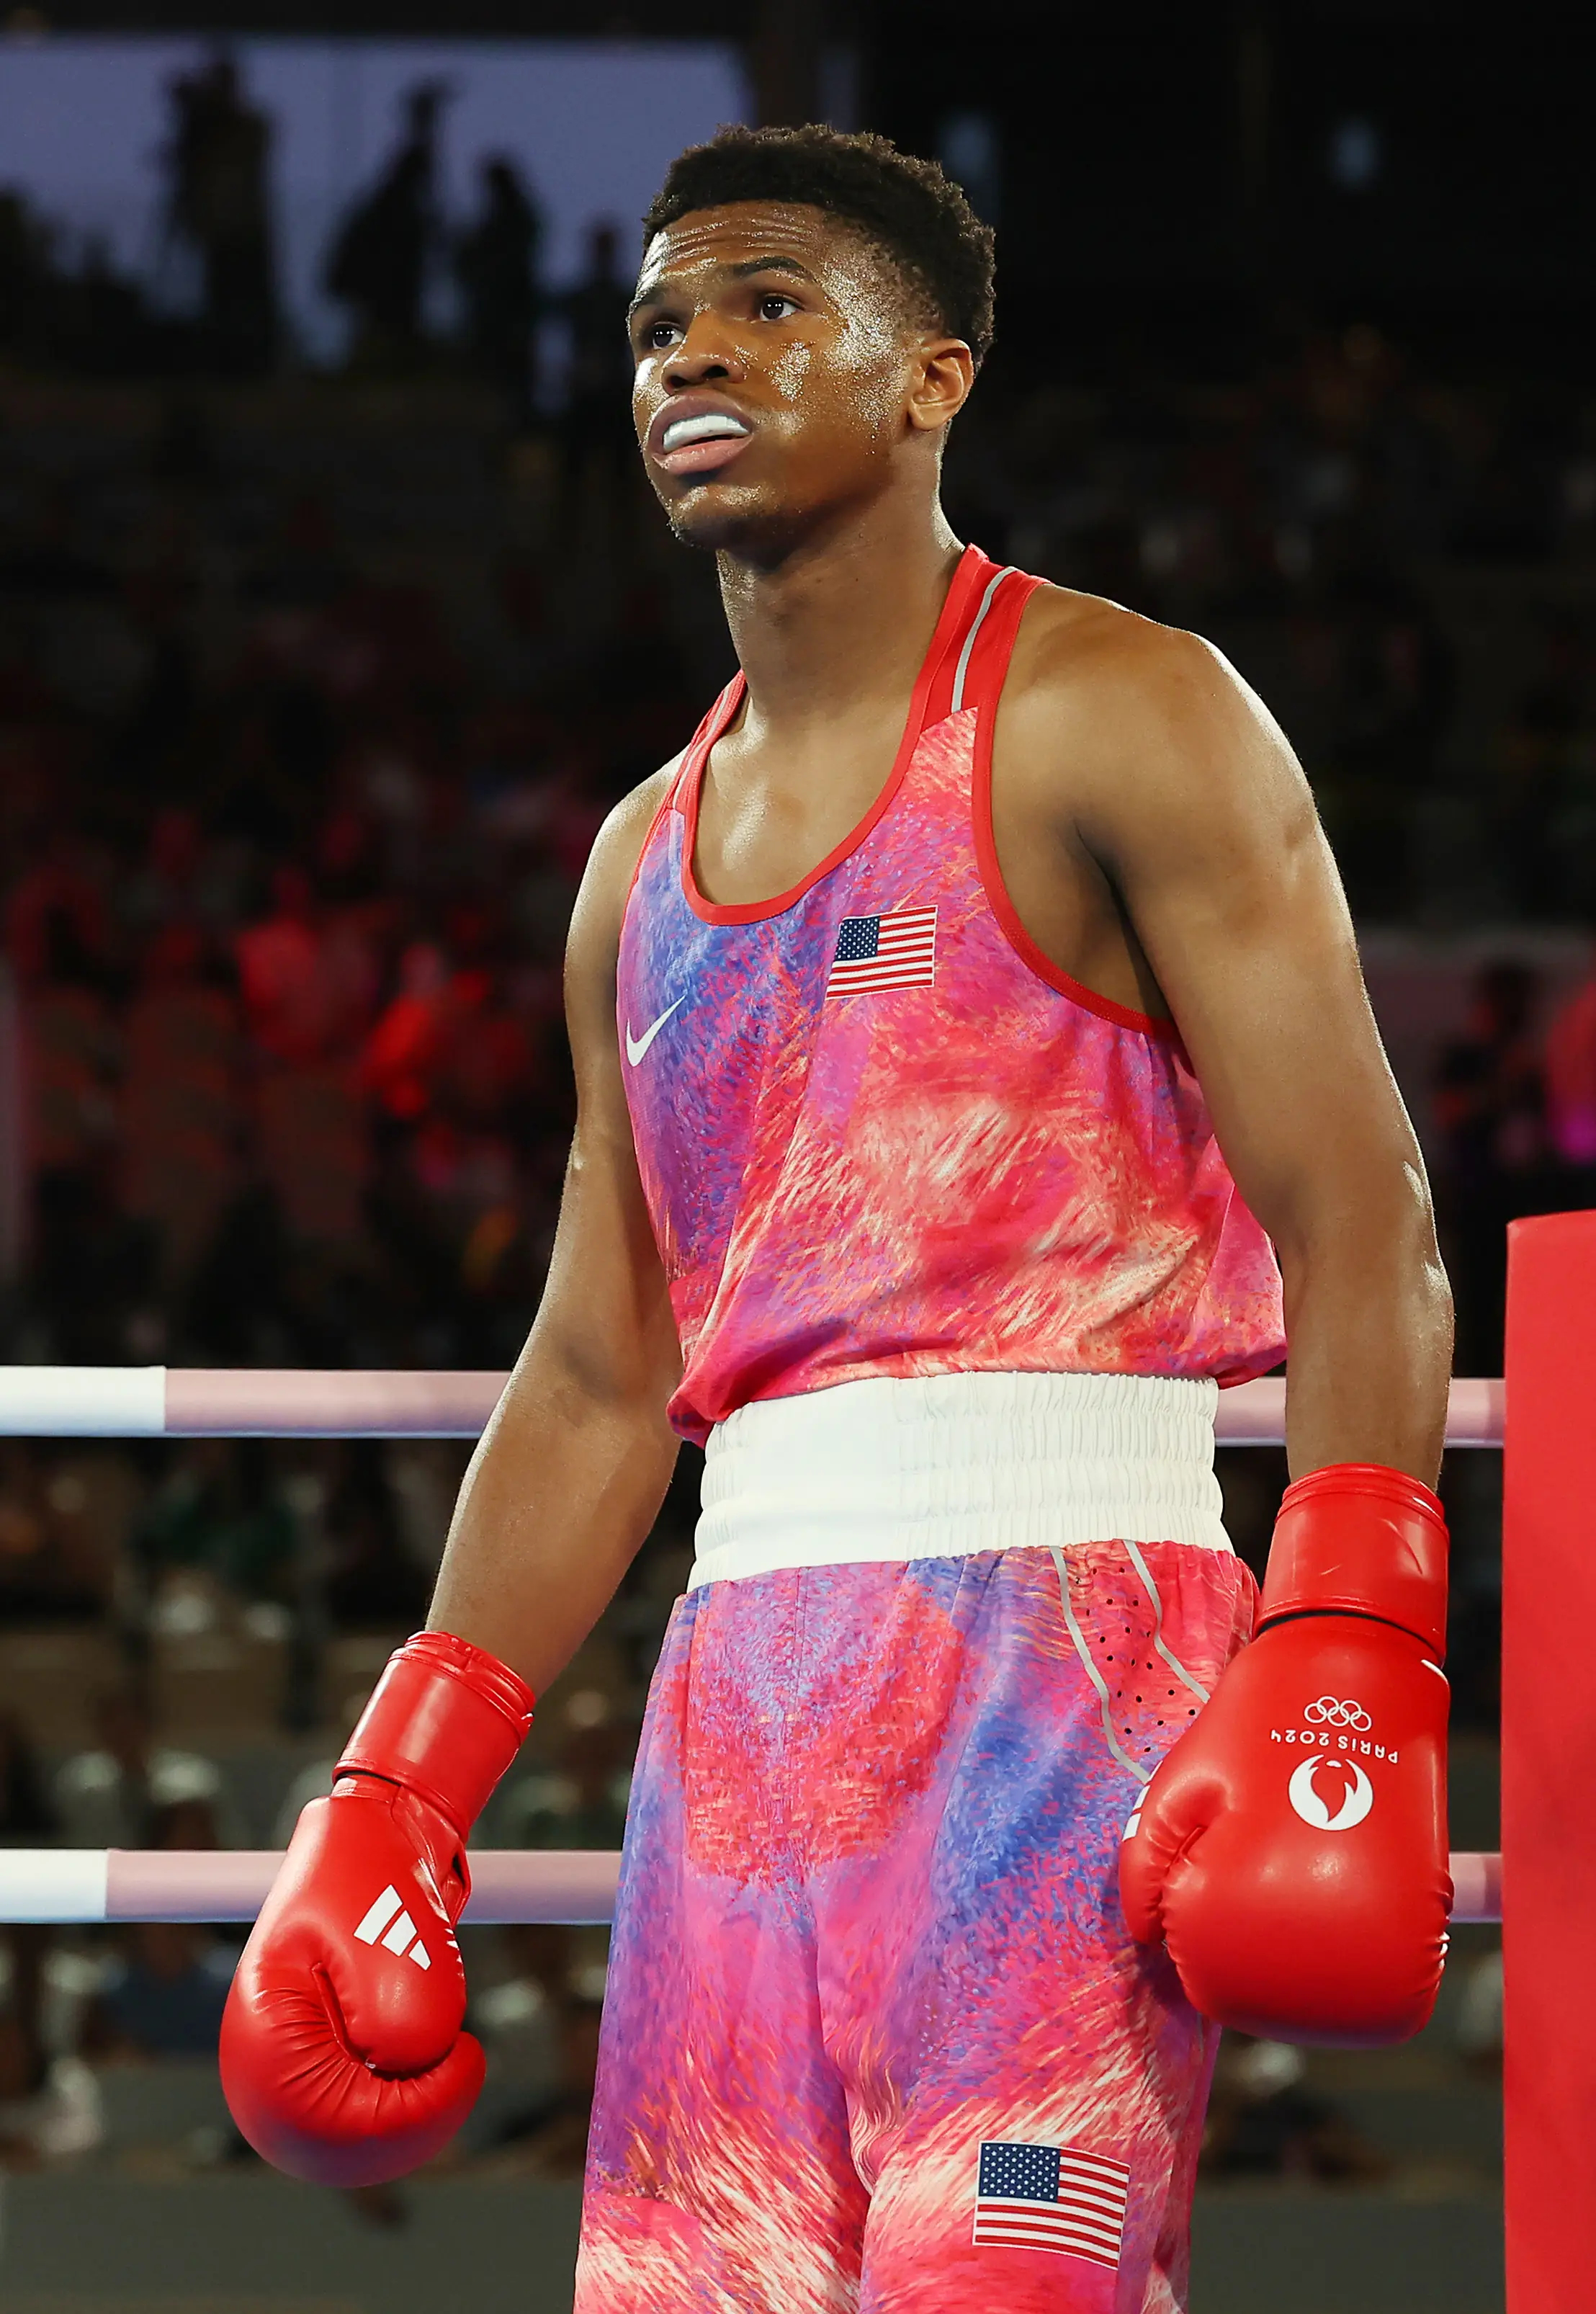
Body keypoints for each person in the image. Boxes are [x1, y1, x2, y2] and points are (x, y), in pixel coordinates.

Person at [221, 125, 1454, 2311]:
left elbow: (1365, 1223)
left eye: (771, 303)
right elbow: (606, 1372)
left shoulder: (1123, 710)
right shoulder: (638, 860)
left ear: (931, 378)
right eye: (658, 323)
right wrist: (402, 1784)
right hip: (736, 1708)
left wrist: (1344, 1646)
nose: (694, 350)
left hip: (1068, 1663)